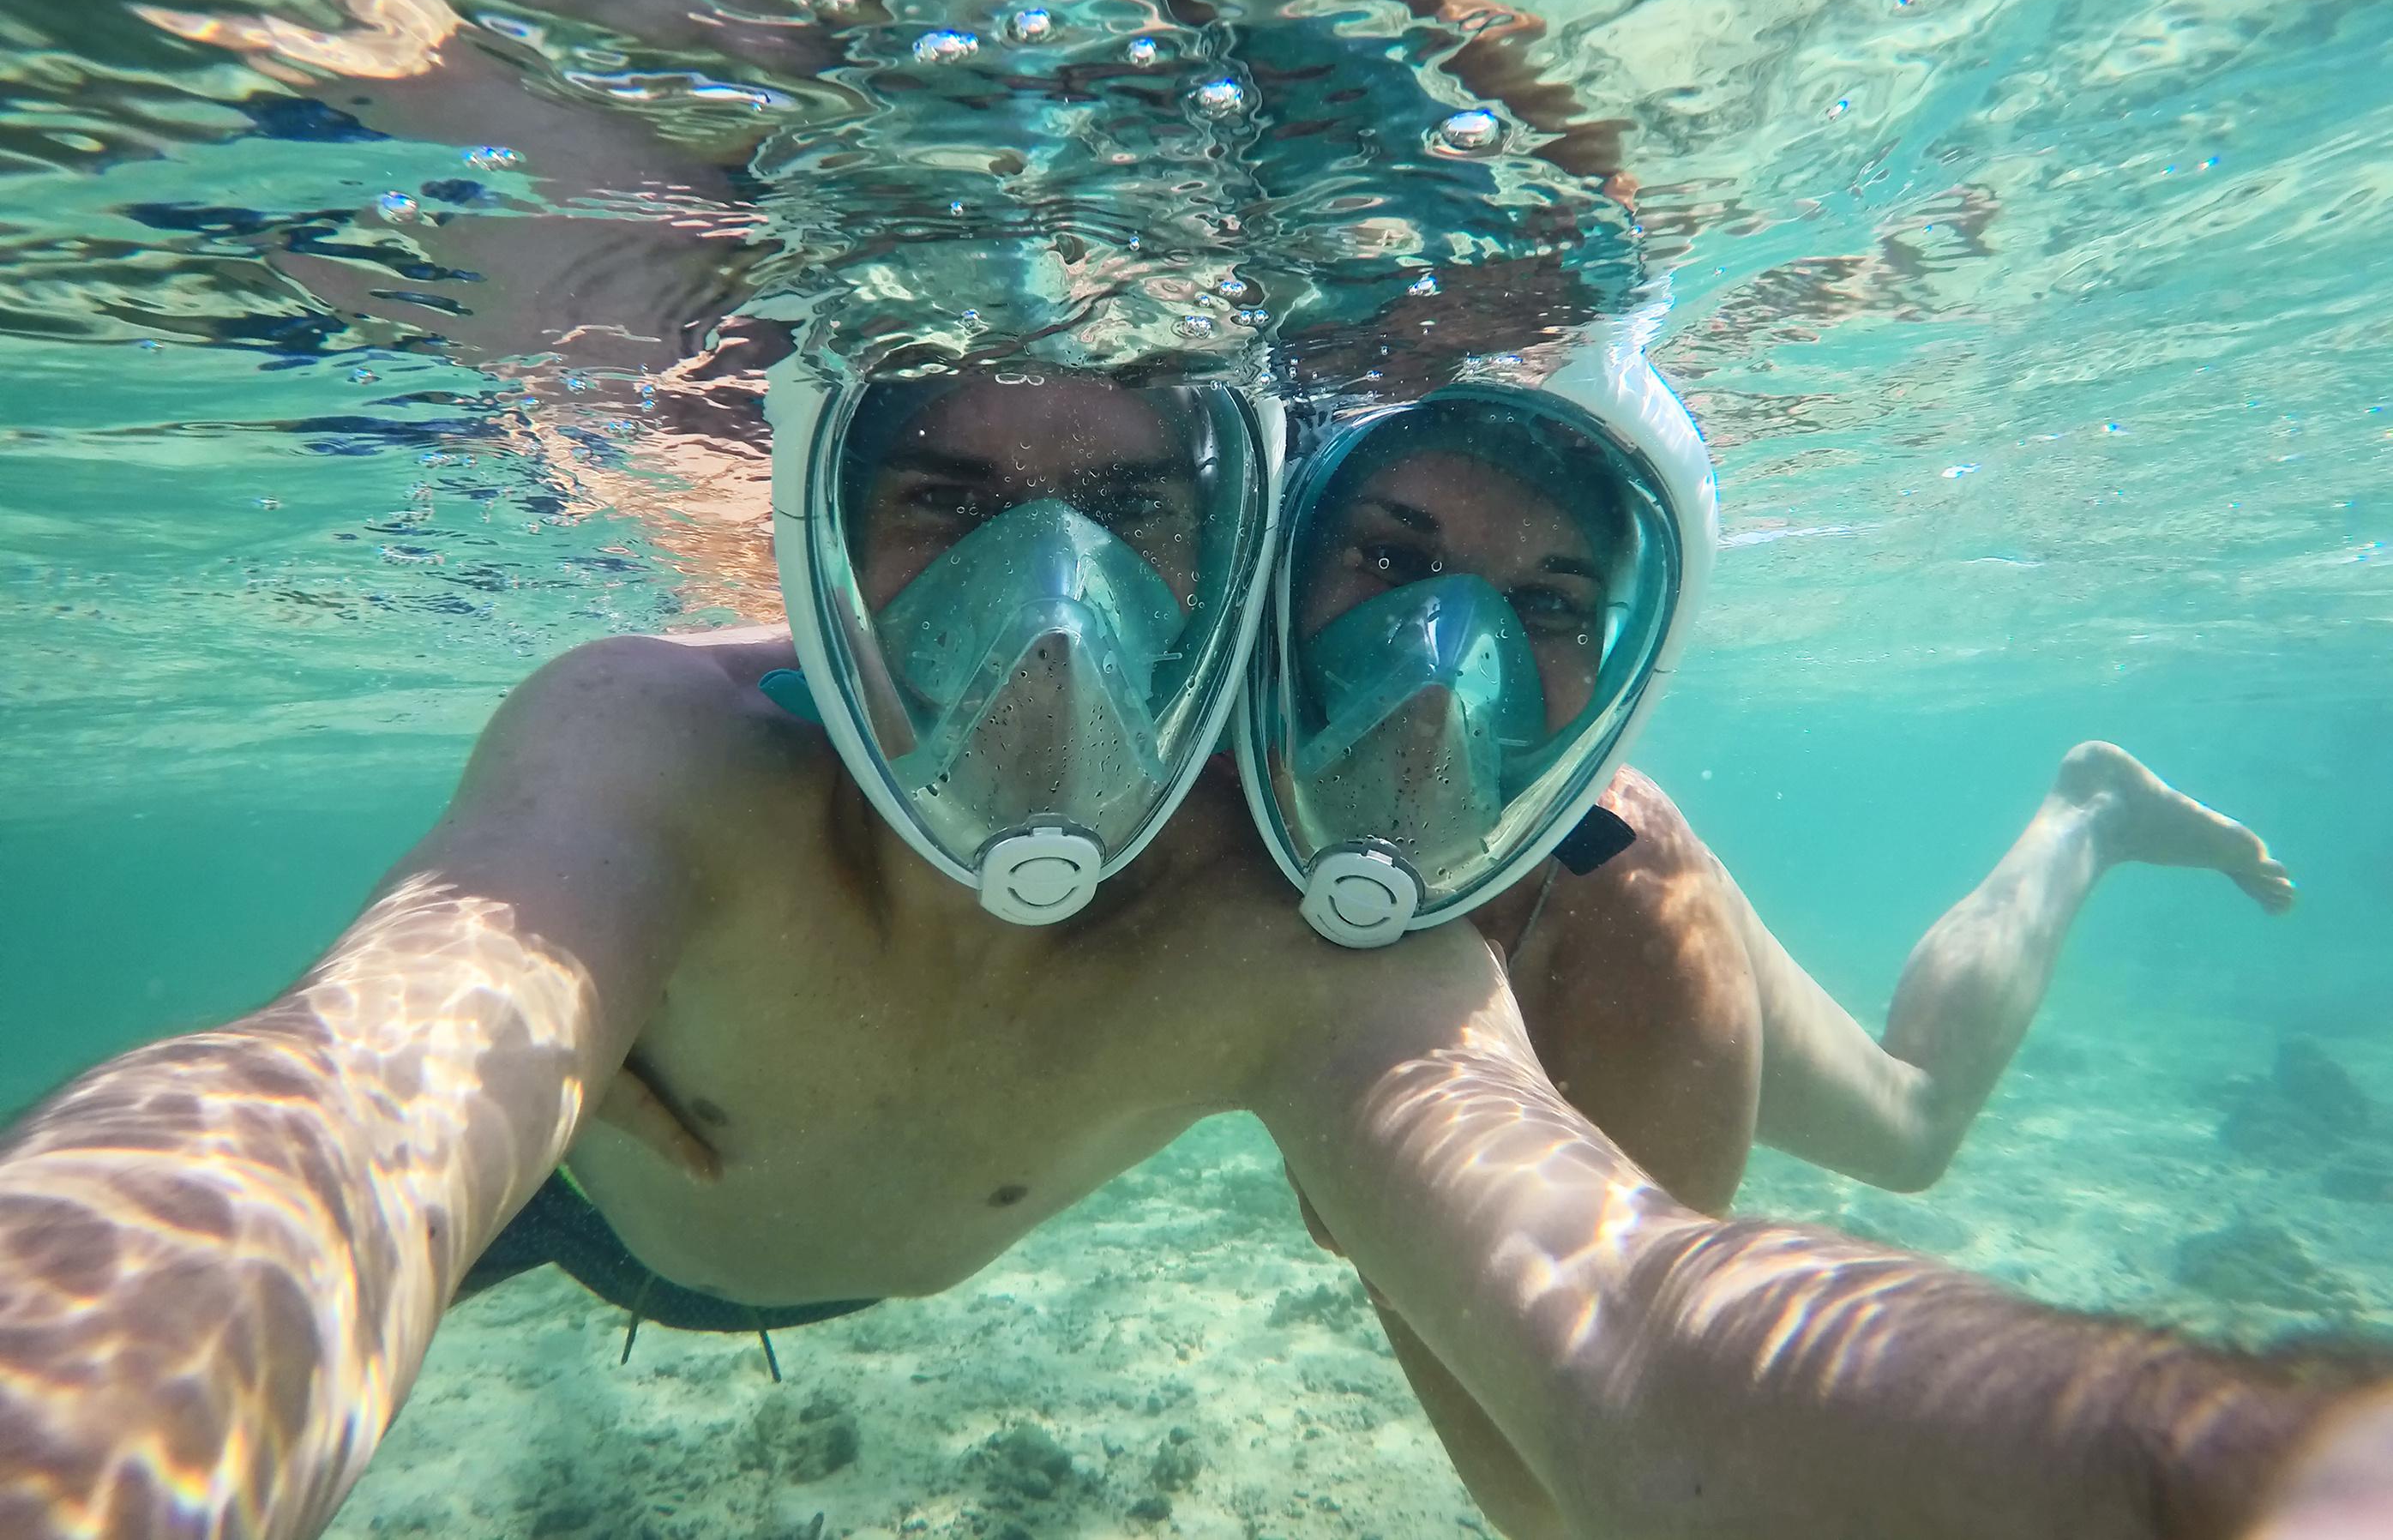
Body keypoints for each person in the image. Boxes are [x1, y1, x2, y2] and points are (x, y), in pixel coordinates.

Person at [3, 352, 2384, 1540]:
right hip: (594, 1213)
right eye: (946, 494)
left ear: (1223, 543)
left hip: (1600, 893)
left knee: (1909, 1117)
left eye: (1134, 509)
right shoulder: (661, 761)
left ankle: (2075, 823)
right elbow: (336, 1123)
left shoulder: (1348, 928)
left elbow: (1625, 1317)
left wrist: (2224, 1474)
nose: (1050, 623)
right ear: (827, 542)